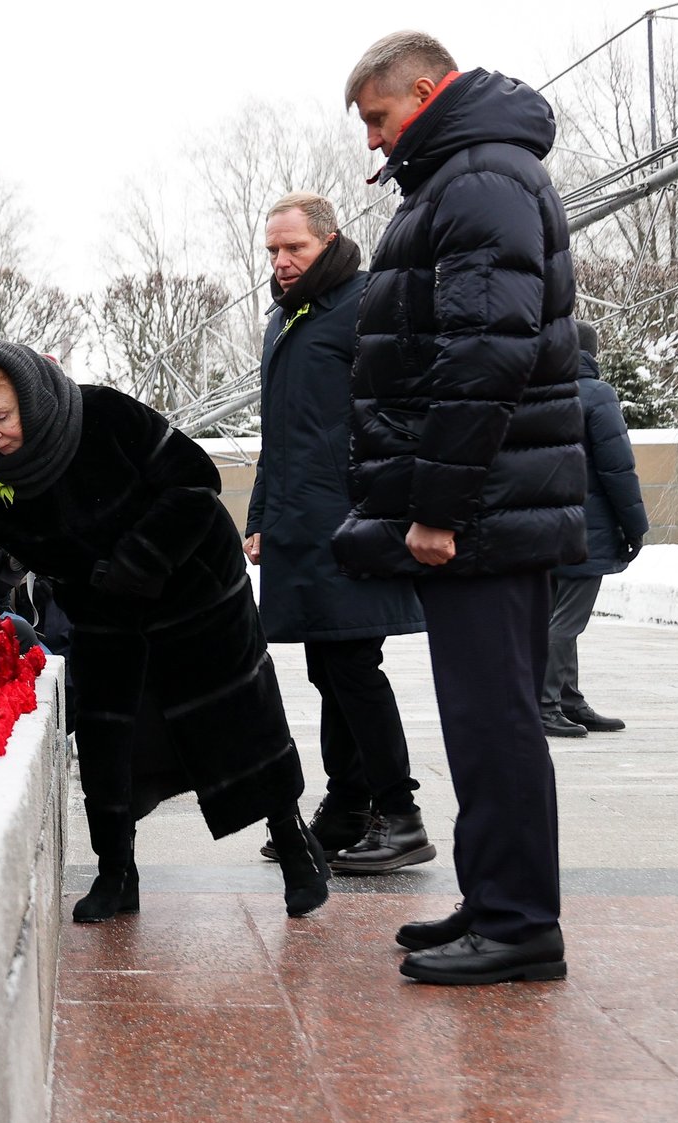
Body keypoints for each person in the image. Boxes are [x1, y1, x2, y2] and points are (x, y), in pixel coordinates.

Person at [0, 341, 332, 922]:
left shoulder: (104, 416)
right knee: (108, 735)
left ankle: (295, 846)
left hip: (194, 589)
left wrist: (139, 561)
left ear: (32, 402)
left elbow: (195, 479)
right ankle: (117, 873)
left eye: (2, 417)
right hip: (104, 608)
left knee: (234, 719)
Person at [334, 32, 586, 984]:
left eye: (377, 116)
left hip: (484, 507)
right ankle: (495, 901)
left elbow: (486, 356)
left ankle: (519, 923)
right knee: (486, 716)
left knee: (495, 720)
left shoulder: (478, 178)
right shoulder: (468, 175)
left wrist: (436, 507)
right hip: (495, 499)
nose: (371, 139)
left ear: (427, 93)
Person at [244, 193, 432, 874]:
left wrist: (387, 496)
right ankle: (350, 806)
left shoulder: (365, 305)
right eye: (272, 249)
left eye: (294, 247)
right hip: (302, 519)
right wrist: (261, 513)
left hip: (352, 516)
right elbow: (279, 431)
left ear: (328, 241)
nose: (282, 260)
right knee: (329, 665)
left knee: (352, 665)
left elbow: (407, 409)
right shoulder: (286, 317)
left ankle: (400, 814)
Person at [542, 320, 649, 737]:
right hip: (588, 528)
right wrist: (635, 527)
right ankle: (546, 704)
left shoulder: (537, 391)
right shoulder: (597, 394)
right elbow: (618, 468)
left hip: (544, 527)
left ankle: (568, 699)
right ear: (590, 353)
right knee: (566, 621)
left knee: (556, 615)